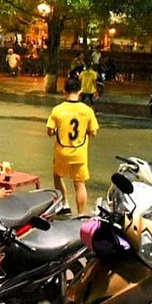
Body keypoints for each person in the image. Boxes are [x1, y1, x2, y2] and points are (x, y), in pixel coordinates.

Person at [47, 76, 99, 214]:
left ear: (64, 90)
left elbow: (50, 131)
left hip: (62, 152)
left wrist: (58, 130)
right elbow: (93, 133)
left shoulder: (57, 110)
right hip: (79, 154)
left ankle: (64, 203)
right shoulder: (87, 110)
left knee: (57, 176)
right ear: (80, 91)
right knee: (80, 184)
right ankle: (80, 214)